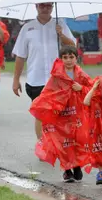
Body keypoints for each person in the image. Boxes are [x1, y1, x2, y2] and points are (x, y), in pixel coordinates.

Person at [12, 2, 76, 142]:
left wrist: (62, 35)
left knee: (60, 113)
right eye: (42, 6)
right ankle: (43, 145)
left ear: (53, 7)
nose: (45, 9)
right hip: (36, 79)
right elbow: (20, 55)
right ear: (36, 7)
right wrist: (16, 80)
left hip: (58, 79)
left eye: (48, 6)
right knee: (41, 114)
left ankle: (59, 143)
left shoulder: (60, 24)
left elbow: (73, 47)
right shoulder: (27, 28)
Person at [30, 46, 92, 182]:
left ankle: (76, 166)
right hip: (61, 116)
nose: (68, 60)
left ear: (76, 58)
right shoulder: (56, 76)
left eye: (71, 57)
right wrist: (40, 103)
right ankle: (67, 170)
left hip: (77, 114)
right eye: (65, 57)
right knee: (63, 143)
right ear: (61, 59)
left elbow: (92, 89)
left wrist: (81, 88)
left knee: (77, 141)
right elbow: (48, 92)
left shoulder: (81, 75)